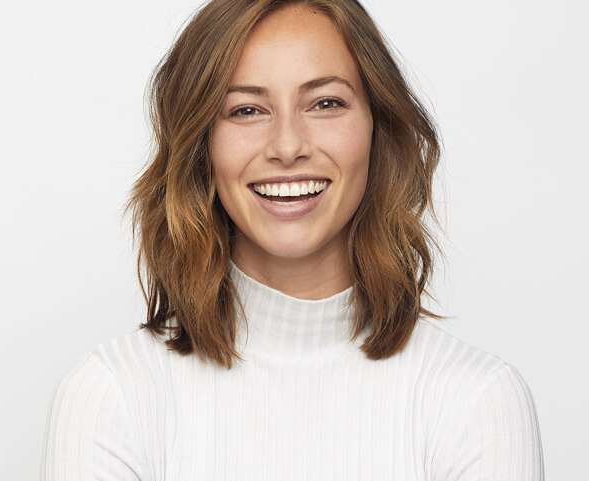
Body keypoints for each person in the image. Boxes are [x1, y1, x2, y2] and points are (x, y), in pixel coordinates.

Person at [39, 0, 544, 479]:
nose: (287, 146)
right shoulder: (112, 396)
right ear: (201, 147)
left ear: (377, 128)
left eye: (325, 103)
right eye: (246, 110)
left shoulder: (478, 401)